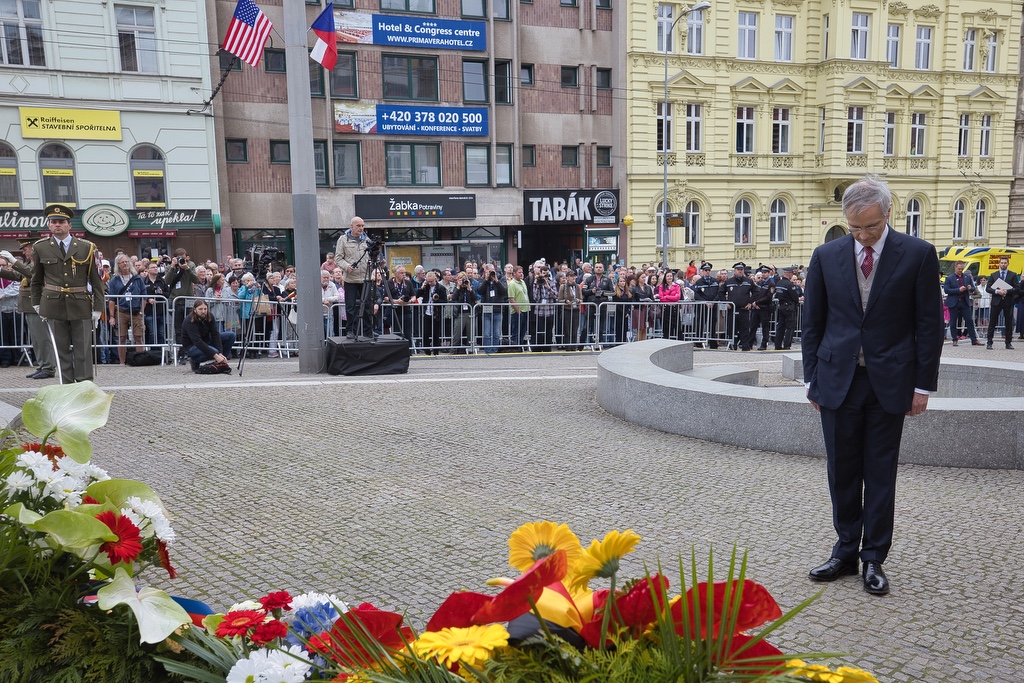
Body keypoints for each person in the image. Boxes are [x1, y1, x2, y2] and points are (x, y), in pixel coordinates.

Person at [802, 175, 943, 596]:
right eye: (855, 228)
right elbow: (813, 323)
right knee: (841, 471)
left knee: (880, 473)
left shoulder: (918, 254)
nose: (862, 236)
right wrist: (812, 379)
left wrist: (923, 386)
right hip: (836, 380)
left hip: (891, 382)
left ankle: (873, 558)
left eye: (871, 227)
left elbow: (928, 325)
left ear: (888, 214)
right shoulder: (826, 255)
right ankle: (845, 550)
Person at [29, 205, 106, 383]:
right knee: (60, 349)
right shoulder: (40, 248)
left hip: (80, 304)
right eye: (54, 222)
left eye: (61, 222)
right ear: (49, 226)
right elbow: (36, 279)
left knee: (83, 349)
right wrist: (36, 302)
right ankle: (67, 386)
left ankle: (84, 385)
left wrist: (98, 308)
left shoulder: (87, 247)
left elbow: (96, 281)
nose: (58, 225)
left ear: (69, 225)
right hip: (53, 304)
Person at [335, 216, 373, 339]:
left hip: (365, 278)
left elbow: (372, 256)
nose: (361, 228)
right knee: (350, 306)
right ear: (351, 226)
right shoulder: (343, 239)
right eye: (358, 226)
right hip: (350, 279)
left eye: (362, 226)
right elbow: (338, 258)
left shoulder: (366, 239)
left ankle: (368, 331)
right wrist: (346, 266)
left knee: (367, 306)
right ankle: (350, 330)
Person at [106, 254, 147, 365]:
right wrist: (112, 317)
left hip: (135, 311)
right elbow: (112, 299)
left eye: (126, 262)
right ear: (118, 265)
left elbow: (144, 296)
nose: (125, 264)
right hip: (121, 311)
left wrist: (141, 310)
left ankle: (140, 360)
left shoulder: (138, 278)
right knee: (121, 337)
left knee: (138, 337)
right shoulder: (115, 280)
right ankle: (122, 362)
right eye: (122, 262)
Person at [180, 299, 235, 372]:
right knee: (214, 351)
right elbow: (197, 341)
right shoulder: (189, 320)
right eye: (200, 309)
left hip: (206, 340)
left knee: (231, 335)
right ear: (195, 310)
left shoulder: (210, 316)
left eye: (205, 309)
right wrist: (215, 354)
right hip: (192, 346)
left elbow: (215, 334)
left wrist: (220, 353)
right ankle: (194, 360)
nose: (203, 311)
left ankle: (220, 361)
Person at [163, 248, 198, 347]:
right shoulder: (170, 267)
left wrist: (187, 269)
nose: (181, 260)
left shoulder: (190, 265)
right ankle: (180, 350)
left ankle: (190, 349)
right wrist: (173, 267)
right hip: (175, 301)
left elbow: (196, 280)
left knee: (190, 327)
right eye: (179, 258)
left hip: (188, 300)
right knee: (178, 329)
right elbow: (167, 281)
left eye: (183, 258)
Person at [942, 260, 982, 347]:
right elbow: (946, 290)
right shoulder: (949, 278)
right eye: (959, 269)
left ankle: (974, 339)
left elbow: (973, 288)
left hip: (964, 302)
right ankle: (954, 339)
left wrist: (970, 288)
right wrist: (958, 290)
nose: (961, 270)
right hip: (954, 302)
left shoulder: (967, 277)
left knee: (969, 320)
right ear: (955, 267)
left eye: (962, 269)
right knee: (953, 322)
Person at [986, 255, 1018, 349]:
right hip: (996, 301)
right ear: (999, 263)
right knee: (992, 322)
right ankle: (989, 342)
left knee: (1009, 322)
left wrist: (1007, 291)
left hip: (1008, 301)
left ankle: (1008, 342)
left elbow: (1016, 288)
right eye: (1002, 263)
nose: (1003, 264)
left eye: (1005, 263)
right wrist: (997, 291)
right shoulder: (993, 275)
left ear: (1008, 264)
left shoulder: (1013, 275)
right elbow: (988, 288)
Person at [416, 270, 447, 355]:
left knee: (436, 333)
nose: (430, 283)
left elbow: (445, 301)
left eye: (431, 281)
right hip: (427, 312)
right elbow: (416, 295)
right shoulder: (426, 287)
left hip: (436, 313)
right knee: (425, 332)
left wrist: (436, 300)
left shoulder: (441, 288)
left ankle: (436, 350)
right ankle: (426, 349)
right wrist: (422, 288)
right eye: (428, 281)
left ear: (435, 279)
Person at [477, 264, 507, 354]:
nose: (490, 273)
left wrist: (496, 281)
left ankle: (495, 350)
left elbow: (504, 291)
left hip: (498, 309)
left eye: (492, 271)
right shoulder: (482, 279)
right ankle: (488, 350)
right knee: (486, 333)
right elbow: (480, 291)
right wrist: (486, 280)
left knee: (496, 333)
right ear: (485, 271)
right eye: (488, 271)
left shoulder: (501, 278)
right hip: (486, 309)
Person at [773, 266, 801, 350]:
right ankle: (787, 345)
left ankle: (777, 345)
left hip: (781, 306)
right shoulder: (789, 285)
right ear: (788, 273)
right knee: (790, 327)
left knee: (781, 327)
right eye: (792, 273)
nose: (792, 275)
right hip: (789, 307)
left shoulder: (779, 283)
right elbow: (795, 297)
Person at [449, 271, 477, 353]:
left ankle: (471, 349)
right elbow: (453, 297)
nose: (463, 281)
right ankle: (453, 350)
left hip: (469, 313)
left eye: (464, 279)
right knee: (457, 333)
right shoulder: (456, 287)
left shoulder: (469, 287)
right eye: (461, 279)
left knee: (470, 333)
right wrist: (458, 286)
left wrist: (469, 287)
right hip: (459, 313)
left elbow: (474, 298)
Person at [557, 270, 583, 349]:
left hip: (575, 309)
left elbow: (581, 298)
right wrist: (565, 301)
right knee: (567, 330)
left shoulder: (577, 286)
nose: (573, 278)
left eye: (574, 276)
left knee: (575, 330)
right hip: (567, 310)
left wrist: (579, 300)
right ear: (568, 278)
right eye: (571, 276)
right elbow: (559, 299)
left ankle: (574, 346)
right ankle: (568, 346)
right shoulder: (563, 286)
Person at [507, 265, 530, 351]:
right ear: (514, 273)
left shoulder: (523, 282)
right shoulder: (512, 284)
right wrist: (518, 311)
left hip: (525, 309)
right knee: (516, 331)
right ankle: (515, 347)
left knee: (523, 331)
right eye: (519, 272)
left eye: (522, 272)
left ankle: (520, 346)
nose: (521, 274)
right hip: (517, 311)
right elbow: (511, 299)